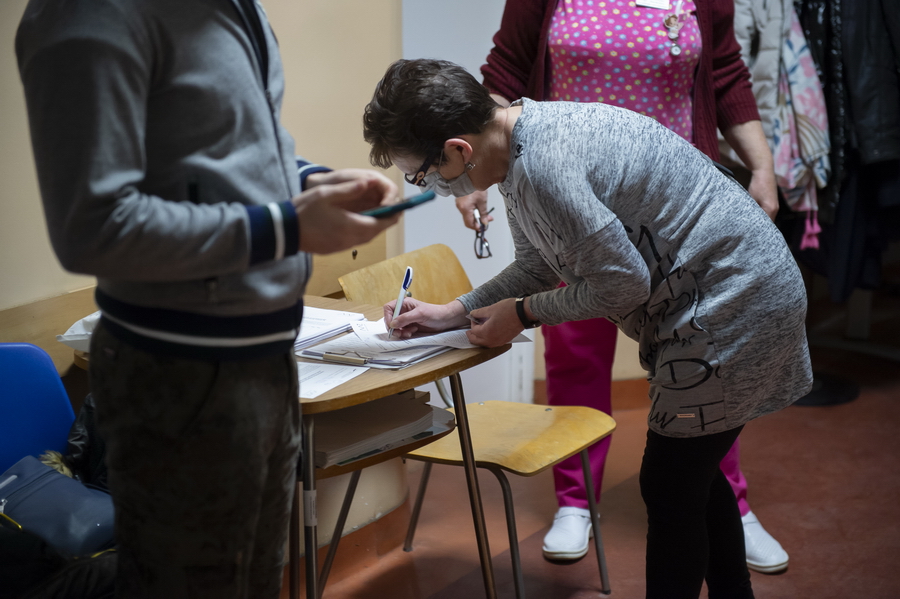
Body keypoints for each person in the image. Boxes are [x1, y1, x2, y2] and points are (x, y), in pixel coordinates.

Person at [363, 58, 812, 598]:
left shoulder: (546, 164)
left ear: (458, 150)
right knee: (691, 473)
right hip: (719, 296)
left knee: (669, 484)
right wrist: (454, 311)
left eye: (423, 174)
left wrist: (524, 314)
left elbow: (625, 285)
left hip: (735, 302)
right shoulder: (513, 143)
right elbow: (539, 266)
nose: (429, 184)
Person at [16, 1, 399, 598]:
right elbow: (91, 227)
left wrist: (308, 183)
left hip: (267, 358)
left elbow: (215, 154)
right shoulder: (90, 14)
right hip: (181, 378)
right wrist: (287, 227)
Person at [451, 0, 789, 573]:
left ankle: (727, 494)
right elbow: (503, 74)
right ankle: (576, 498)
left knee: (710, 357)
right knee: (576, 352)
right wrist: (467, 168)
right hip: (571, 200)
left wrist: (761, 165)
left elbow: (726, 73)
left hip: (674, 212)